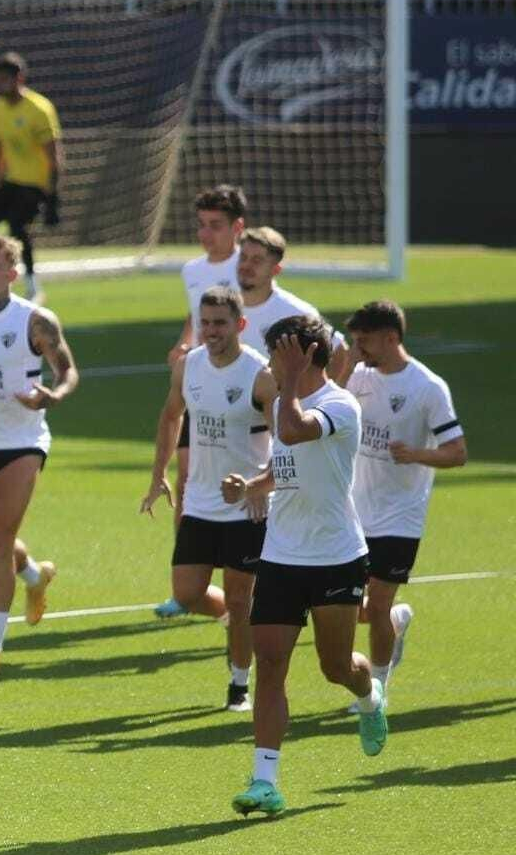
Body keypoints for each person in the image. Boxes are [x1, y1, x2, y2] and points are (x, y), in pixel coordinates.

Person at [223, 316, 387, 818]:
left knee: (335, 667)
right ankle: (265, 781)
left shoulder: (339, 404)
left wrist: (291, 381)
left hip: (335, 557)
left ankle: (370, 694)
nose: (269, 364)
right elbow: (286, 464)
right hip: (281, 556)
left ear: (302, 355)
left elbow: (294, 433)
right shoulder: (282, 402)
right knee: (271, 663)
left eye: (277, 354)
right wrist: (254, 486)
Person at [140, 286, 276, 712]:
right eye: (205, 323)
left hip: (246, 508)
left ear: (240, 325)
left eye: (220, 323)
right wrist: (159, 475)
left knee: (239, 599)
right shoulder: (188, 366)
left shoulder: (260, 375)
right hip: (199, 503)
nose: (211, 331)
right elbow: (171, 416)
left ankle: (239, 682)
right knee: (186, 594)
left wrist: (259, 485)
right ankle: (238, 628)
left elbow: (287, 441)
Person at [0, 234, 79, 680]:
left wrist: (52, 396)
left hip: (24, 442)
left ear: (13, 272)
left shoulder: (35, 320)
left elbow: (67, 371)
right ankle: (35, 577)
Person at [345, 300, 466, 706]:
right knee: (353, 610)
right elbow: (328, 406)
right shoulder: (357, 376)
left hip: (401, 516)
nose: (358, 349)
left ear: (391, 337)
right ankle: (397, 623)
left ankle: (376, 690)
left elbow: (457, 452)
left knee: (377, 606)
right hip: (354, 511)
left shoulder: (428, 387)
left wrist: (416, 454)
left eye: (364, 341)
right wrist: (346, 365)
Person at [156, 184, 248, 618]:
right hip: (202, 386)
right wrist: (184, 342)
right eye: (202, 225)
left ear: (237, 228)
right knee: (188, 482)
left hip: (242, 393)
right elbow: (197, 317)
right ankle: (192, 584)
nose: (206, 234)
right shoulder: (192, 270)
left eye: (216, 225)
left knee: (242, 484)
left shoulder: (247, 267)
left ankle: (244, 587)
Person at [0, 52, 63, 300]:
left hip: (35, 184)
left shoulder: (39, 109)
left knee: (17, 226)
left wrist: (53, 197)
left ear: (19, 79)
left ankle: (32, 286)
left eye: (4, 79)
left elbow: (54, 156)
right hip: (12, 181)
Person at [235, 226, 349, 380]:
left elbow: (340, 351)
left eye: (257, 261)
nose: (246, 266)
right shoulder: (223, 308)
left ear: (275, 270)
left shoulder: (296, 312)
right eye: (243, 257)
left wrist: (320, 393)